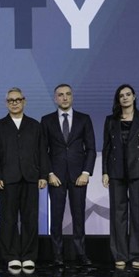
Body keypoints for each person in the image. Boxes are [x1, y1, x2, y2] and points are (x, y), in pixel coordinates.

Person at [0, 87, 49, 272]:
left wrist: (43, 175)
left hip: (30, 178)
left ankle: (29, 256)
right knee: (8, 219)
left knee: (30, 219)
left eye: (18, 100)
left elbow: (42, 151)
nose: (14, 103)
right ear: (6, 103)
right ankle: (11, 256)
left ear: (24, 101)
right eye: (11, 100)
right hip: (7, 179)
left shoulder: (35, 125)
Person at [41, 84, 96, 267]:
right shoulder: (46, 120)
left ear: (72, 97)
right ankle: (57, 255)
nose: (64, 98)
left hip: (79, 176)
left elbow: (91, 148)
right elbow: (42, 150)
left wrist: (86, 172)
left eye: (68, 94)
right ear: (55, 98)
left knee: (79, 216)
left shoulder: (84, 119)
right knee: (56, 217)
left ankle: (81, 253)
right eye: (60, 95)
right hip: (55, 177)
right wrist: (49, 173)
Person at [102, 84, 139, 269]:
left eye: (128, 94)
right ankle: (120, 254)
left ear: (134, 96)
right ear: (118, 99)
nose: (125, 97)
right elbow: (107, 148)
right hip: (116, 171)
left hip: (138, 171)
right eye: (121, 95)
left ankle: (138, 254)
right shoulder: (110, 120)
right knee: (118, 214)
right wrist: (105, 172)